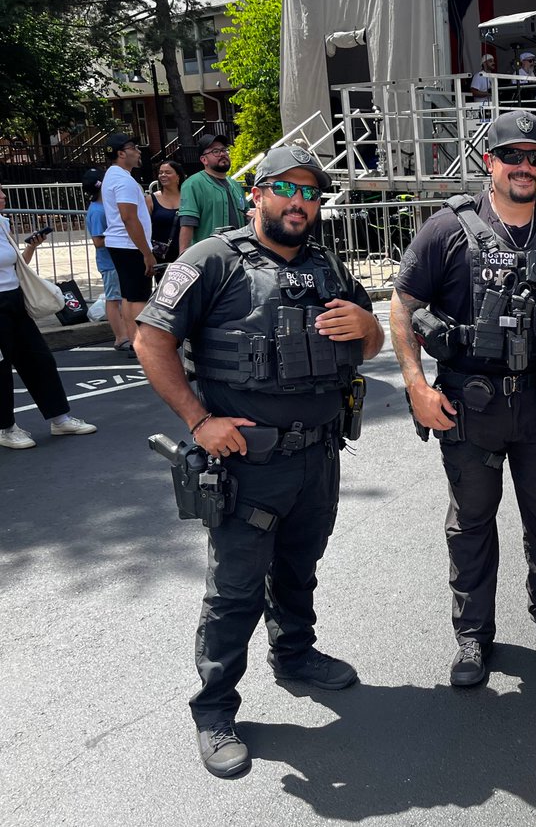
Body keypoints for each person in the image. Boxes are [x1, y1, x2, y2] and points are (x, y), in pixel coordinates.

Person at [134, 145, 383, 778]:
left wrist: (368, 326)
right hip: (248, 465)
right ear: (258, 194)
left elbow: (373, 343)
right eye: (287, 189)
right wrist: (198, 420)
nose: (300, 203)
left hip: (319, 457)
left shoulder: (329, 267)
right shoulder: (212, 260)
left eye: (311, 194)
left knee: (300, 568)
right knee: (235, 593)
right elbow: (150, 338)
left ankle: (295, 654)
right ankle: (214, 710)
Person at [390, 110, 536, 687]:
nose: (526, 168)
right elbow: (403, 304)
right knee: (472, 521)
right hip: (468, 404)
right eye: (514, 157)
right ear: (490, 162)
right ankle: (473, 635)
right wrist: (416, 385)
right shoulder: (446, 229)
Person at [0, 182, 98, 450]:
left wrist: (31, 247)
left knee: (38, 358)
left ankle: (59, 418)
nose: (3, 195)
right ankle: (6, 428)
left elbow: (17, 265)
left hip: (14, 299)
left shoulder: (3, 223)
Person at [101, 133, 155, 328]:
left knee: (129, 296)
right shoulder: (124, 181)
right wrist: (147, 253)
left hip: (121, 244)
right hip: (130, 245)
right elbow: (128, 217)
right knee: (139, 297)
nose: (138, 151)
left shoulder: (112, 175)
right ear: (121, 153)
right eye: (134, 148)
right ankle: (143, 342)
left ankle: (135, 341)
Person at [83, 168, 130, 352]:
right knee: (113, 298)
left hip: (116, 260)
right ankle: (120, 337)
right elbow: (97, 241)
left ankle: (125, 333)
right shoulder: (97, 211)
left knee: (120, 297)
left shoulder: (105, 207)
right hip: (110, 262)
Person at [177, 134, 248, 253]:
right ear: (204, 159)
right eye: (215, 151)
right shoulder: (193, 184)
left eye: (224, 150)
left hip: (239, 253)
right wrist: (183, 256)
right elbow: (188, 222)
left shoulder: (235, 185)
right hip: (209, 256)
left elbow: (247, 217)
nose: (222, 154)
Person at [147, 159, 183, 266]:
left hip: (184, 252)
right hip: (160, 254)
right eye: (160, 172)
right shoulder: (150, 199)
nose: (163, 175)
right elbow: (144, 228)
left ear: (178, 176)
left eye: (168, 172)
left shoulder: (188, 197)